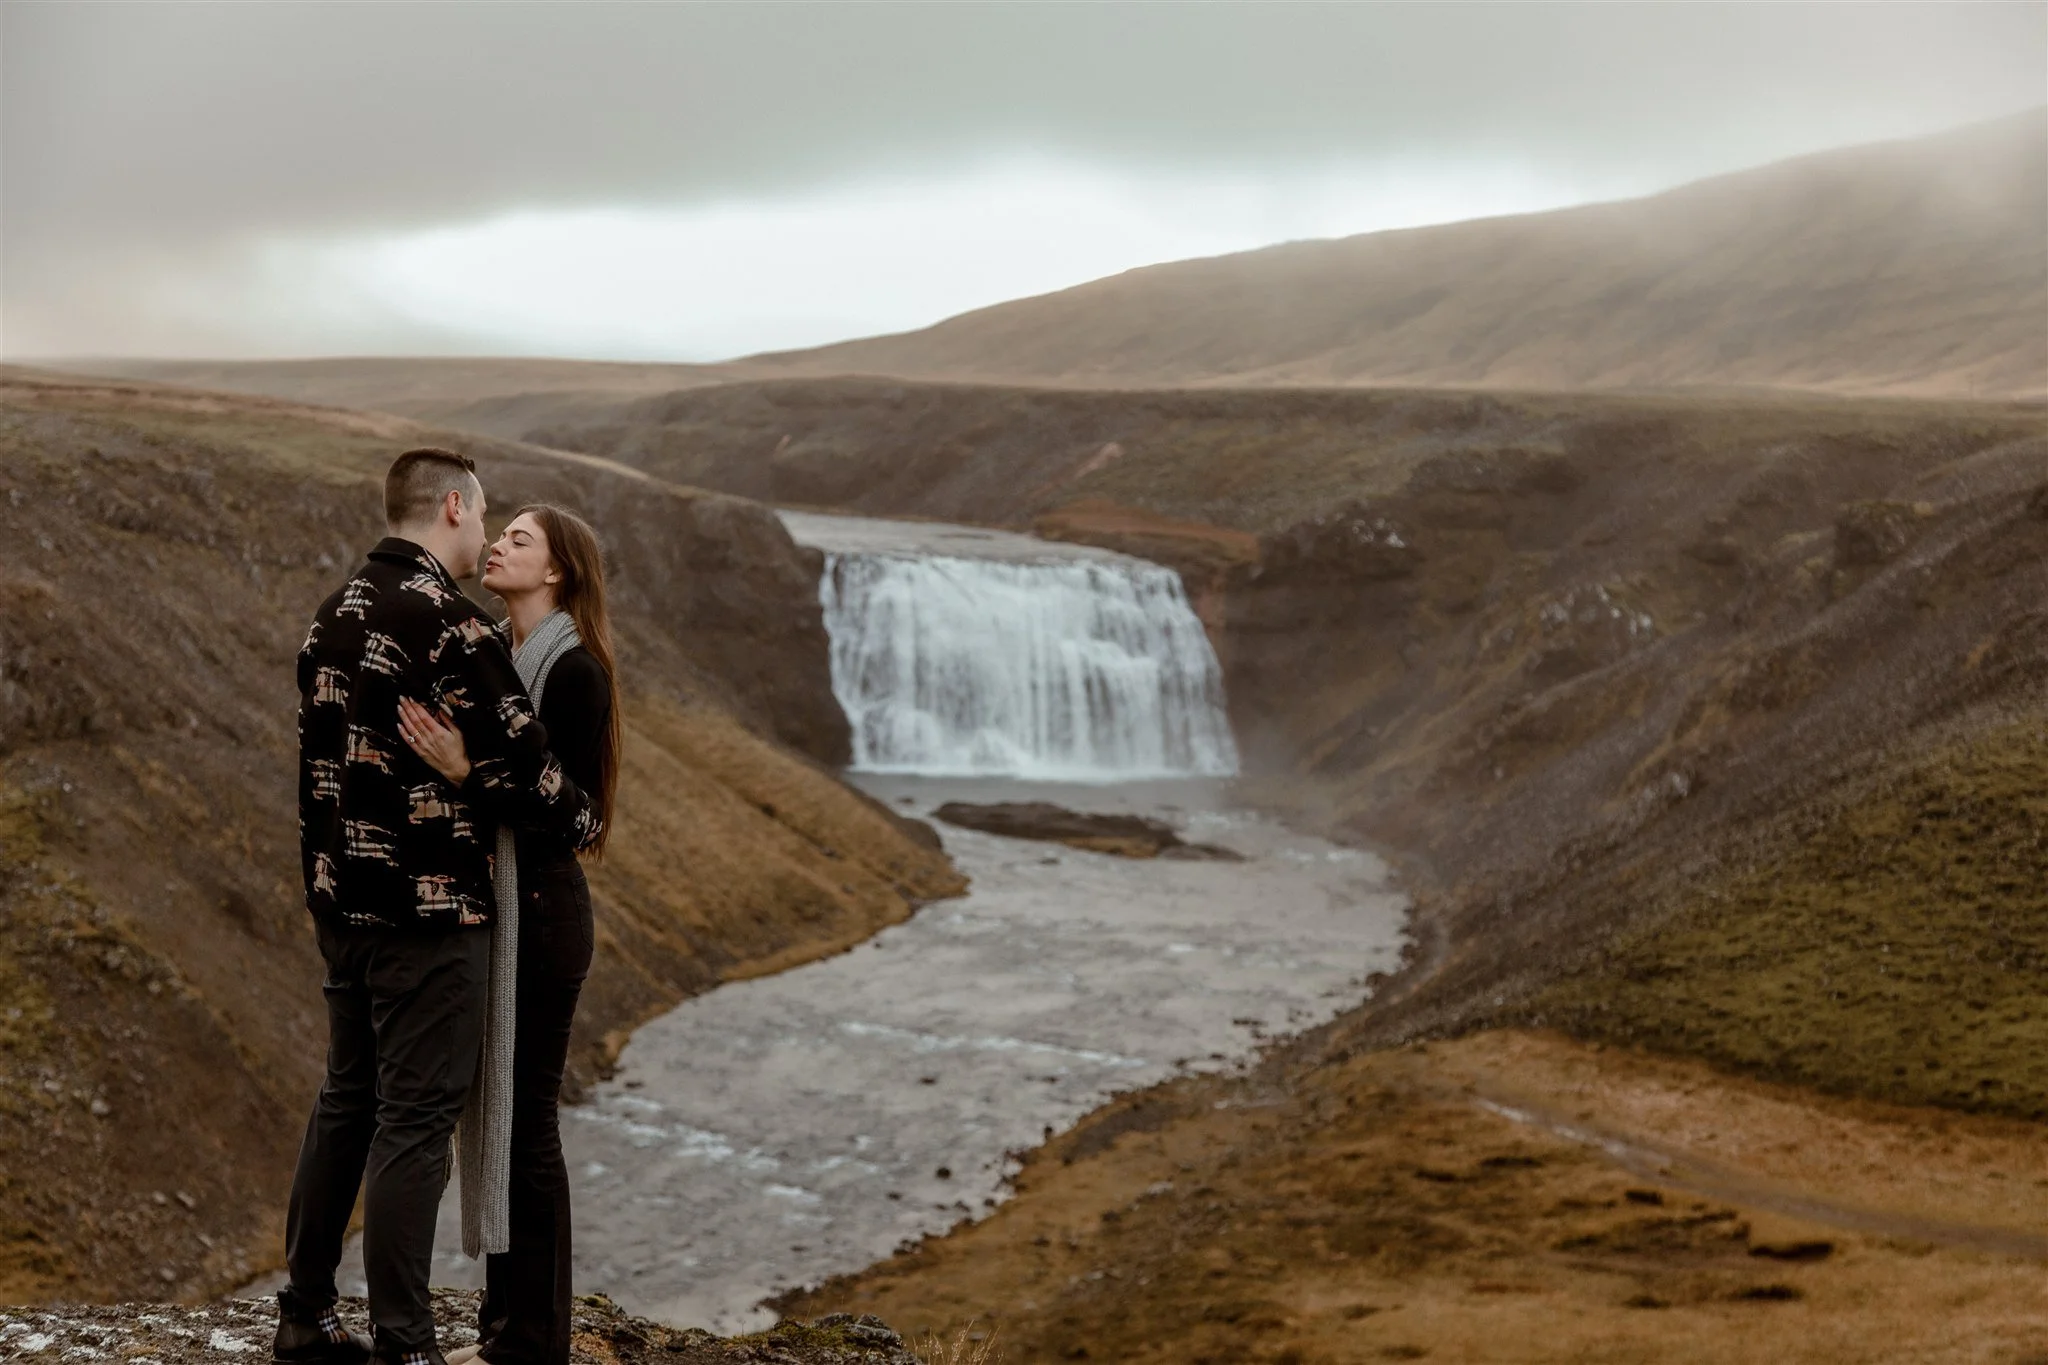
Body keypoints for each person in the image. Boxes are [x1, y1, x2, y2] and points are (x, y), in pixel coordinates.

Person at [279, 453, 601, 1365]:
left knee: (345, 1100)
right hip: (428, 916)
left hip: (340, 906)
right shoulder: (457, 629)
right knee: (414, 1123)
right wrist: (474, 770)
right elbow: (561, 800)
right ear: (453, 506)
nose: (487, 533)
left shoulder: (332, 612)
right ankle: (406, 1345)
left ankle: (304, 1315)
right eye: (485, 515)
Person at [395, 505, 619, 1365]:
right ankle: (504, 1330)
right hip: (500, 909)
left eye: (520, 539)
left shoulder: (574, 675)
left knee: (528, 1127)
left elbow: (567, 814)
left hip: (546, 915)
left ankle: (532, 1340)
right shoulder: (495, 656)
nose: (497, 545)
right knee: (500, 1115)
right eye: (501, 532)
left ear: (558, 571)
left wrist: (465, 769)